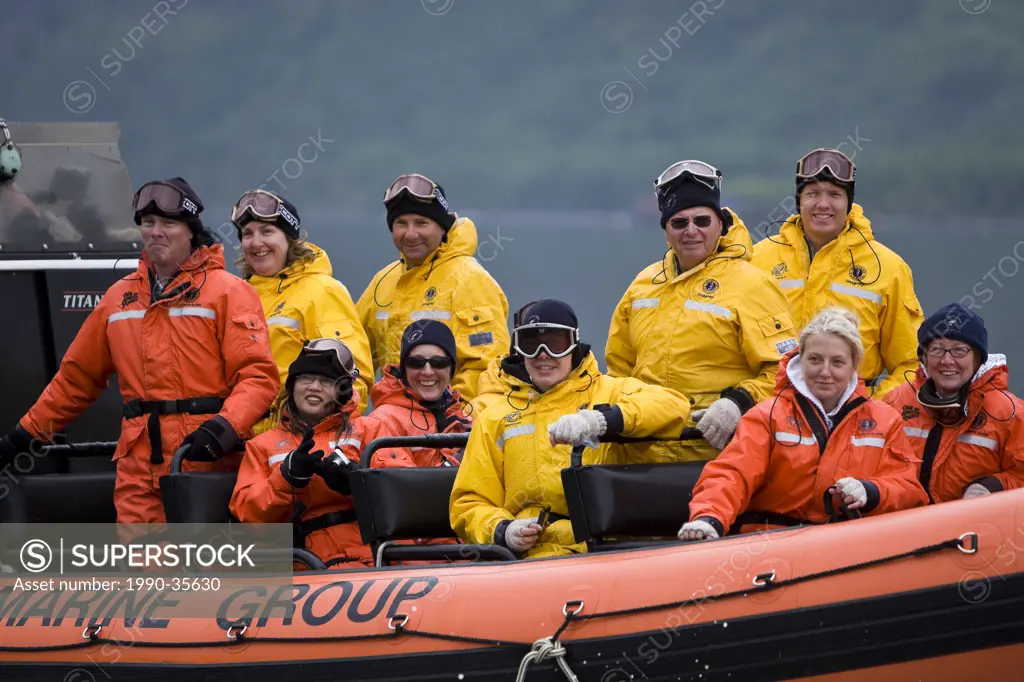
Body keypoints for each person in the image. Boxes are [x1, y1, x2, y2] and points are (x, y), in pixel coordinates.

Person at [0, 177, 280, 524]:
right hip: (138, 467)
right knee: (142, 573)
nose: (156, 232)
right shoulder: (118, 298)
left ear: (190, 231)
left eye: (168, 224)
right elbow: (76, 380)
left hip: (208, 461)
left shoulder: (229, 293)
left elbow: (258, 377)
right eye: (148, 224)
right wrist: (22, 436)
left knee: (210, 571)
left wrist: (223, 429)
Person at [449, 299, 695, 559]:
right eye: (531, 344)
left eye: (556, 344)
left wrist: (602, 420)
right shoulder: (495, 418)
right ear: (518, 350)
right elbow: (469, 501)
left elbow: (674, 404)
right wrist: (503, 530)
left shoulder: (609, 391)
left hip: (607, 549)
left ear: (573, 346)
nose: (543, 355)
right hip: (534, 555)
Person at [678, 307, 929, 541]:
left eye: (837, 362)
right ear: (801, 359)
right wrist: (709, 518)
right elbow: (732, 474)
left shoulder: (885, 420)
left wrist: (871, 491)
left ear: (854, 365)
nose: (825, 371)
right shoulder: (767, 416)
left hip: (850, 547)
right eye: (815, 360)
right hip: (771, 544)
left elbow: (908, 488)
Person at [606, 160, 798, 462]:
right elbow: (618, 370)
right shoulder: (643, 284)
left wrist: (738, 402)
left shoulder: (753, 285)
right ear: (666, 232)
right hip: (639, 458)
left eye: (702, 221)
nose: (691, 231)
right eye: (679, 223)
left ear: (720, 224)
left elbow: (787, 371)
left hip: (715, 458)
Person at [751, 148, 924, 399]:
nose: (823, 204)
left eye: (834, 194)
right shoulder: (758, 259)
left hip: (854, 421)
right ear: (799, 201)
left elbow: (910, 364)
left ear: (849, 202)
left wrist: (872, 407)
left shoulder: (889, 268)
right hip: (771, 415)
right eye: (812, 194)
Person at [357, 173, 510, 403]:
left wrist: (453, 424)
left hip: (449, 429)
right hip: (391, 424)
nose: (410, 234)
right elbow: (355, 357)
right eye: (401, 223)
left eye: (421, 223)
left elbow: (487, 370)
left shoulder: (471, 280)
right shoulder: (382, 281)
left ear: (442, 227)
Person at [230, 339, 380, 568]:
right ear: (291, 386)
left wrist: (358, 481)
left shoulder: (370, 430)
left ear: (342, 391)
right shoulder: (261, 446)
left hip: (373, 558)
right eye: (306, 378)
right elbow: (247, 516)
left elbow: (401, 495)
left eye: (326, 381)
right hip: (300, 565)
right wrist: (287, 478)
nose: (314, 387)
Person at [232, 188, 373, 427]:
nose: (256, 243)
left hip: (296, 439)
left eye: (267, 231)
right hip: (241, 440)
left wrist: (319, 436)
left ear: (289, 239)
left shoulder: (322, 290)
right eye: (247, 234)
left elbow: (353, 377)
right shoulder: (237, 295)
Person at [883, 303, 1024, 503]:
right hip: (899, 528)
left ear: (978, 359)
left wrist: (993, 486)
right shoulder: (893, 403)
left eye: (960, 351)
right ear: (924, 358)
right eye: (936, 350)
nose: (947, 360)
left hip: (973, 529)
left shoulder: (1011, 414)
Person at [364, 320, 471, 468]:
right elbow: (401, 486)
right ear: (404, 369)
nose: (427, 372)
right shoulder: (382, 421)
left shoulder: (465, 417)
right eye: (416, 362)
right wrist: (457, 464)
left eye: (438, 362)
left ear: (451, 369)